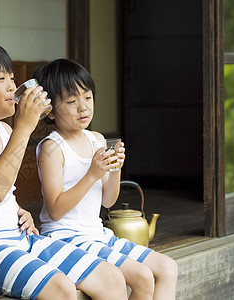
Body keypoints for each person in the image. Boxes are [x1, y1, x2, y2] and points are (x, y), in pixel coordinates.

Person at [0, 39, 128, 300]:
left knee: (111, 278)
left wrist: (17, 210)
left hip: (15, 238)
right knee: (60, 288)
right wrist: (25, 126)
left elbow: (3, 193)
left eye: (11, 76)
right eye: (1, 78)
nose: (13, 85)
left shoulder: (4, 129)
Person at [34, 58, 179, 300]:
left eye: (87, 97)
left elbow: (108, 202)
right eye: (71, 101)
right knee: (142, 277)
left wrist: (115, 169)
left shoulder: (97, 140)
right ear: (50, 112)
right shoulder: (51, 148)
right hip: (65, 237)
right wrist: (92, 173)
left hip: (97, 234)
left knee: (167, 268)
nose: (83, 107)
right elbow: (56, 210)